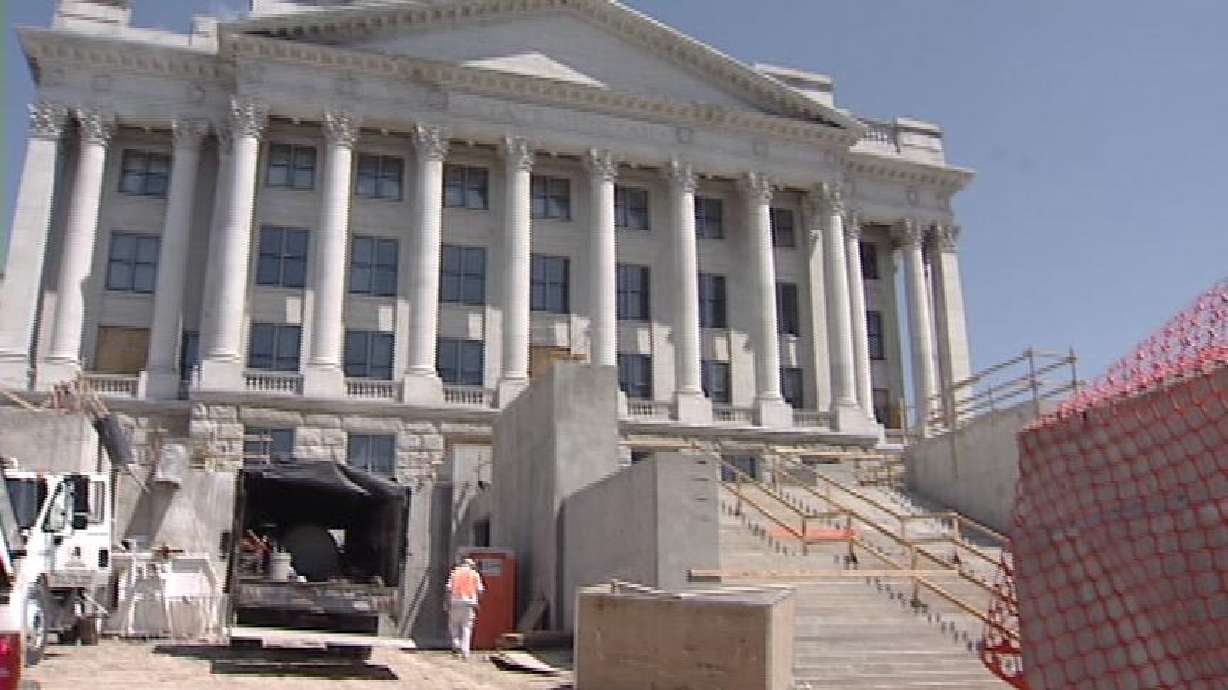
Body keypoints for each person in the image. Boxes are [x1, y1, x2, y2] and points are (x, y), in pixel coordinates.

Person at [445, 558, 485, 659]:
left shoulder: (455, 573)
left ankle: (455, 643)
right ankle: (465, 651)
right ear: (471, 565)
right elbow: (480, 590)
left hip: (455, 602)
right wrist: (478, 602)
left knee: (454, 624)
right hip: (469, 604)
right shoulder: (475, 574)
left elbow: (448, 589)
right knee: (466, 627)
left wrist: (447, 602)